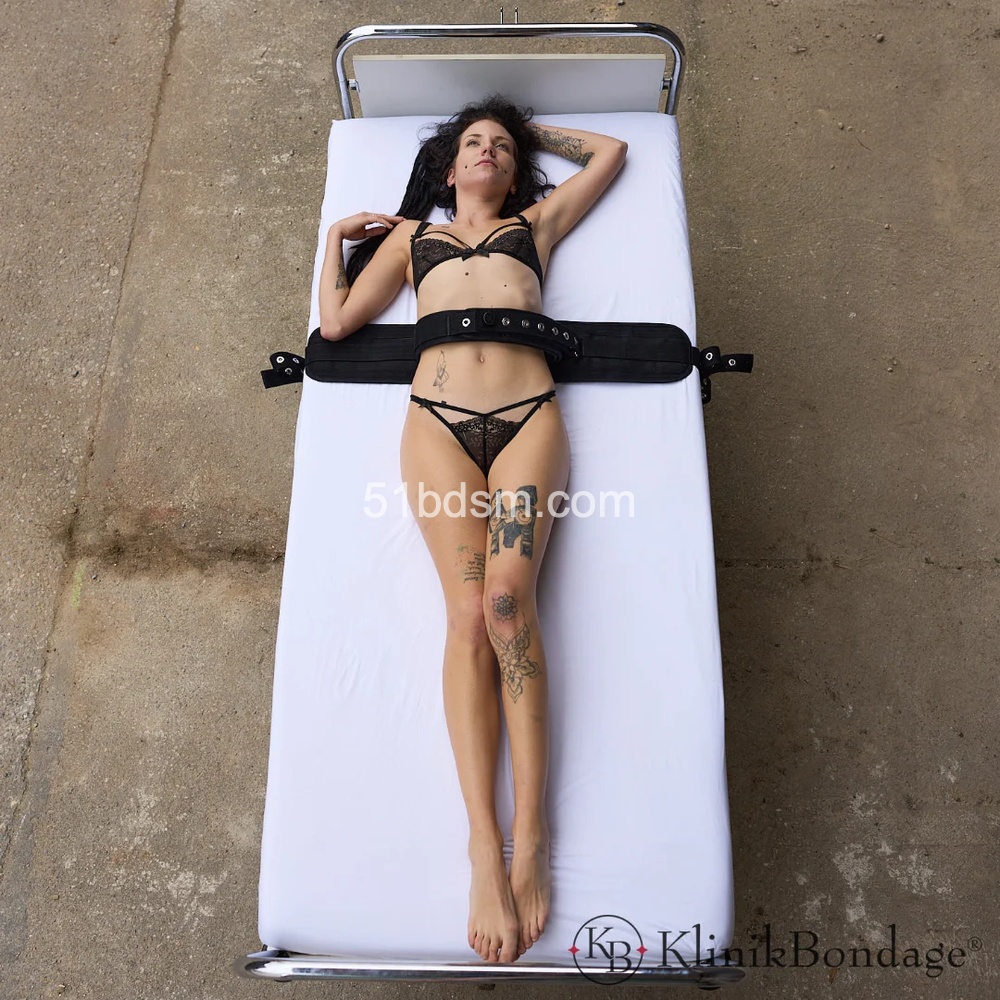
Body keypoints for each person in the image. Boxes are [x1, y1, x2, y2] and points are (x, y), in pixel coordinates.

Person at [318, 96, 626, 965]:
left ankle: (532, 837)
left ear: (515, 168)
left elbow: (609, 151)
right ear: (449, 167)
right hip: (438, 427)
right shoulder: (411, 241)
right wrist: (335, 240)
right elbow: (337, 323)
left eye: (500, 147)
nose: (487, 151)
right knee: (465, 617)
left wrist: (527, 132)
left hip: (528, 421)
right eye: (472, 144)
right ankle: (482, 847)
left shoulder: (537, 225)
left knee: (506, 606)